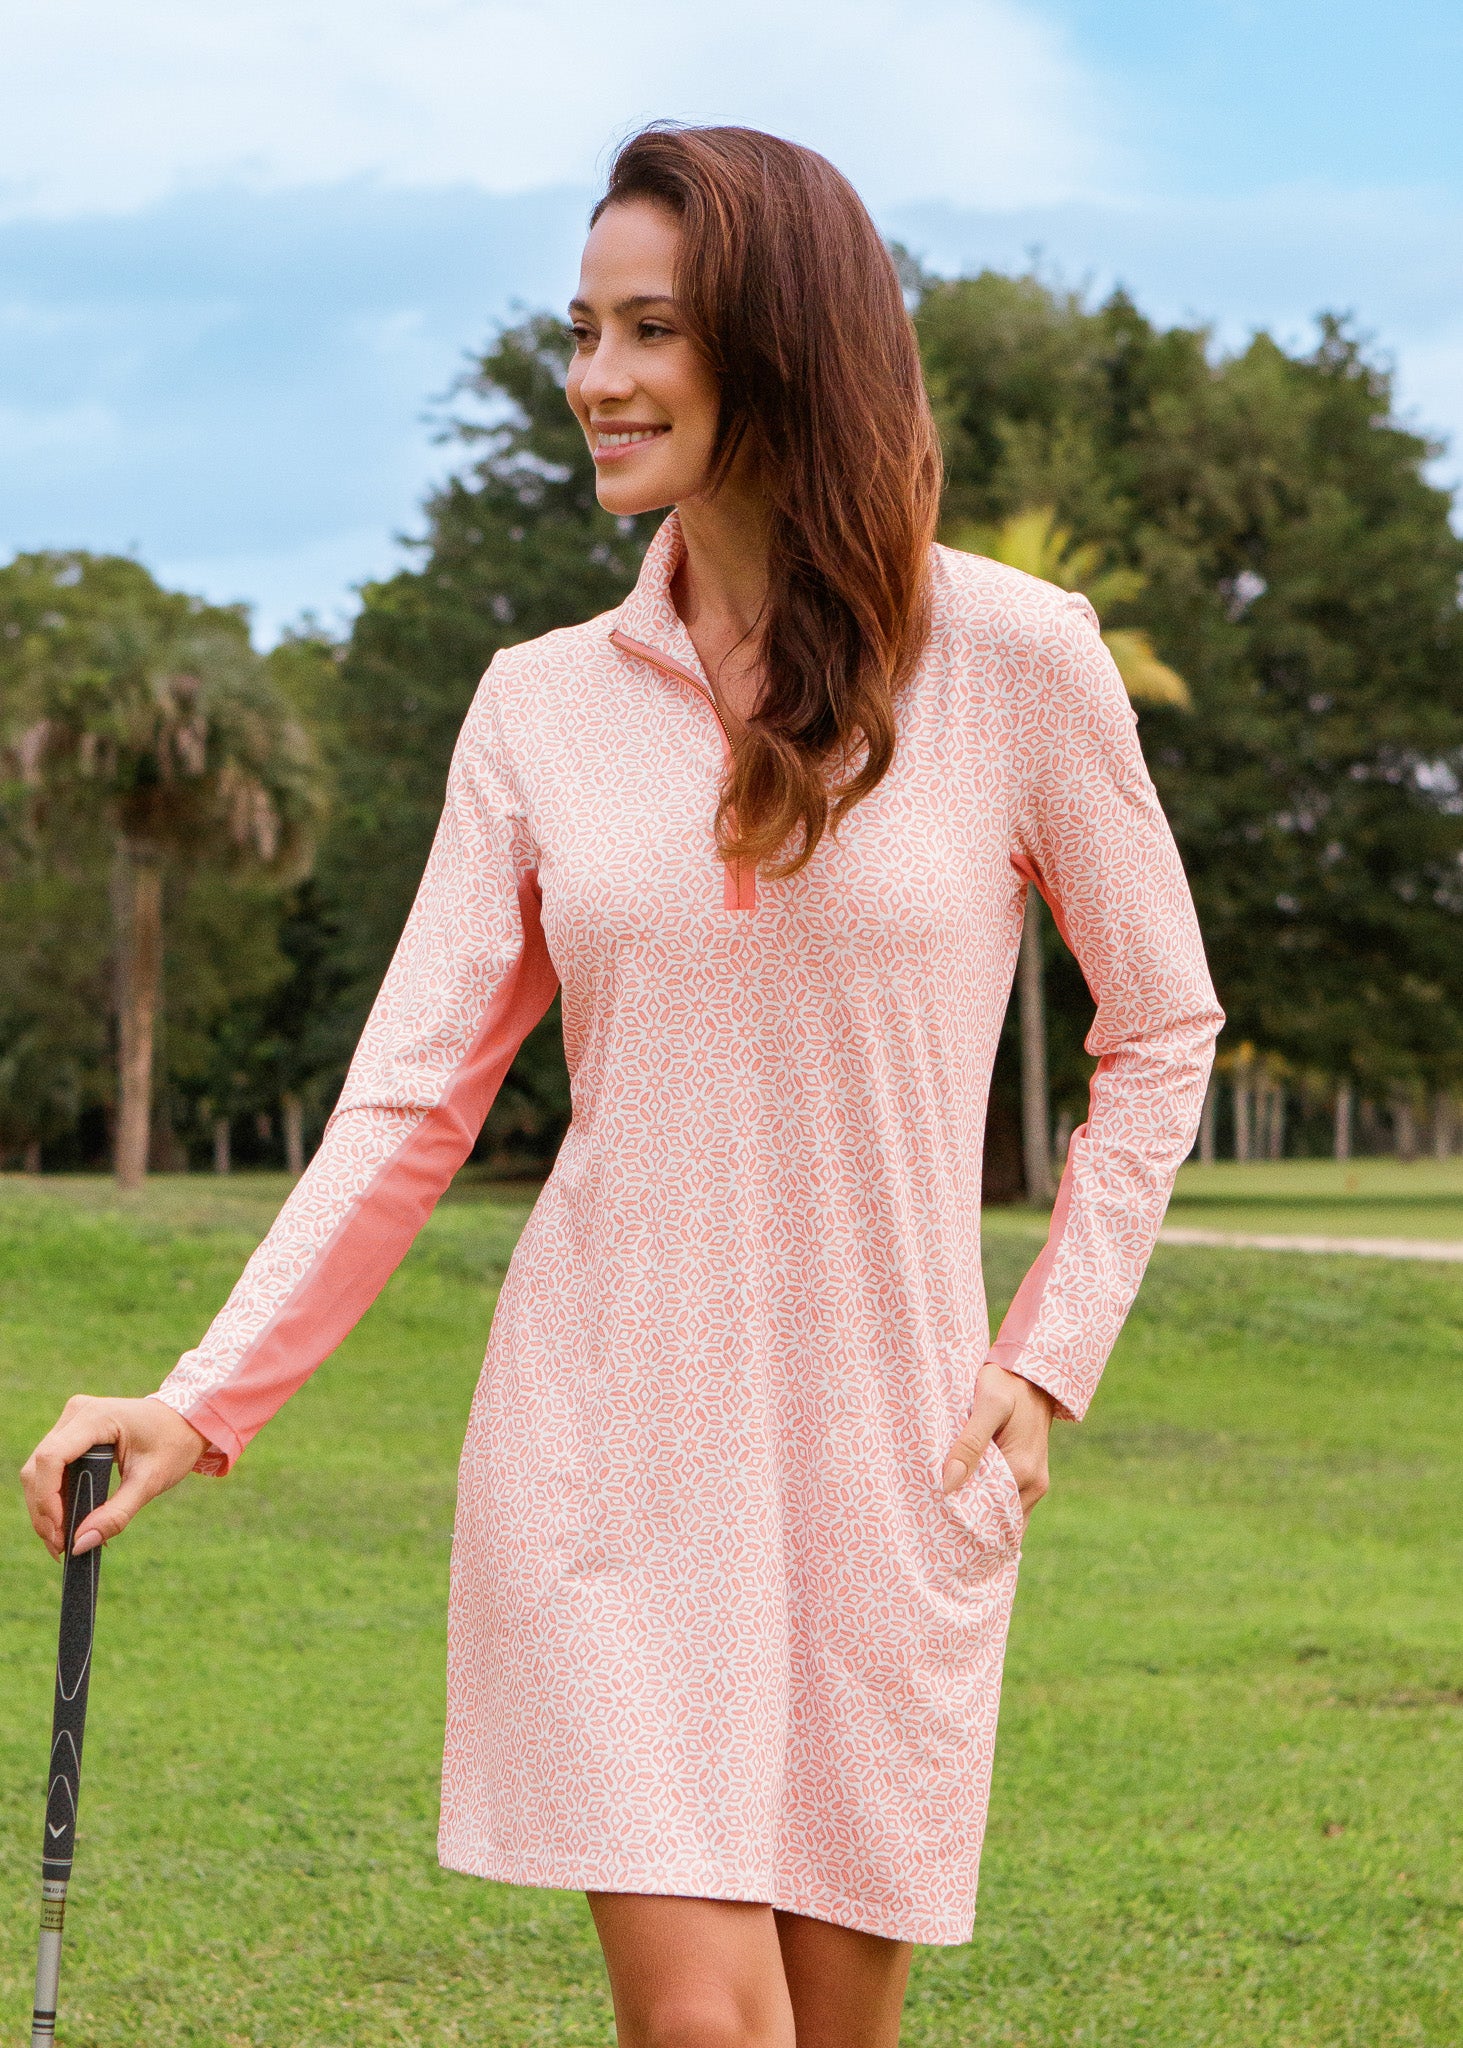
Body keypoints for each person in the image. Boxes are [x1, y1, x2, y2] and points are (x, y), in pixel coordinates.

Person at [21, 124, 1222, 2048]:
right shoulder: (538, 704)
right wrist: (201, 1396)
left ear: (786, 344)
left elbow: (1160, 1026)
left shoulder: (1013, 656)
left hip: (889, 1458)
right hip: (603, 1453)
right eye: (582, 331)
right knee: (706, 2028)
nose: (596, 377)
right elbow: (410, 1099)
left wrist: (1048, 1351)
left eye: (650, 329)